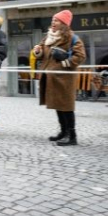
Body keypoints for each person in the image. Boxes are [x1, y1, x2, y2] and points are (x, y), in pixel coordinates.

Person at [33, 9, 86, 146]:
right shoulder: (48, 37)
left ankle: (72, 136)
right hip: (51, 77)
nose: (53, 22)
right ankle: (63, 132)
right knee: (58, 105)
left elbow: (80, 56)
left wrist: (65, 62)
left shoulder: (72, 38)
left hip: (64, 78)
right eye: (52, 20)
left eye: (56, 20)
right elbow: (42, 54)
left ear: (64, 23)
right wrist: (38, 51)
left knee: (66, 107)